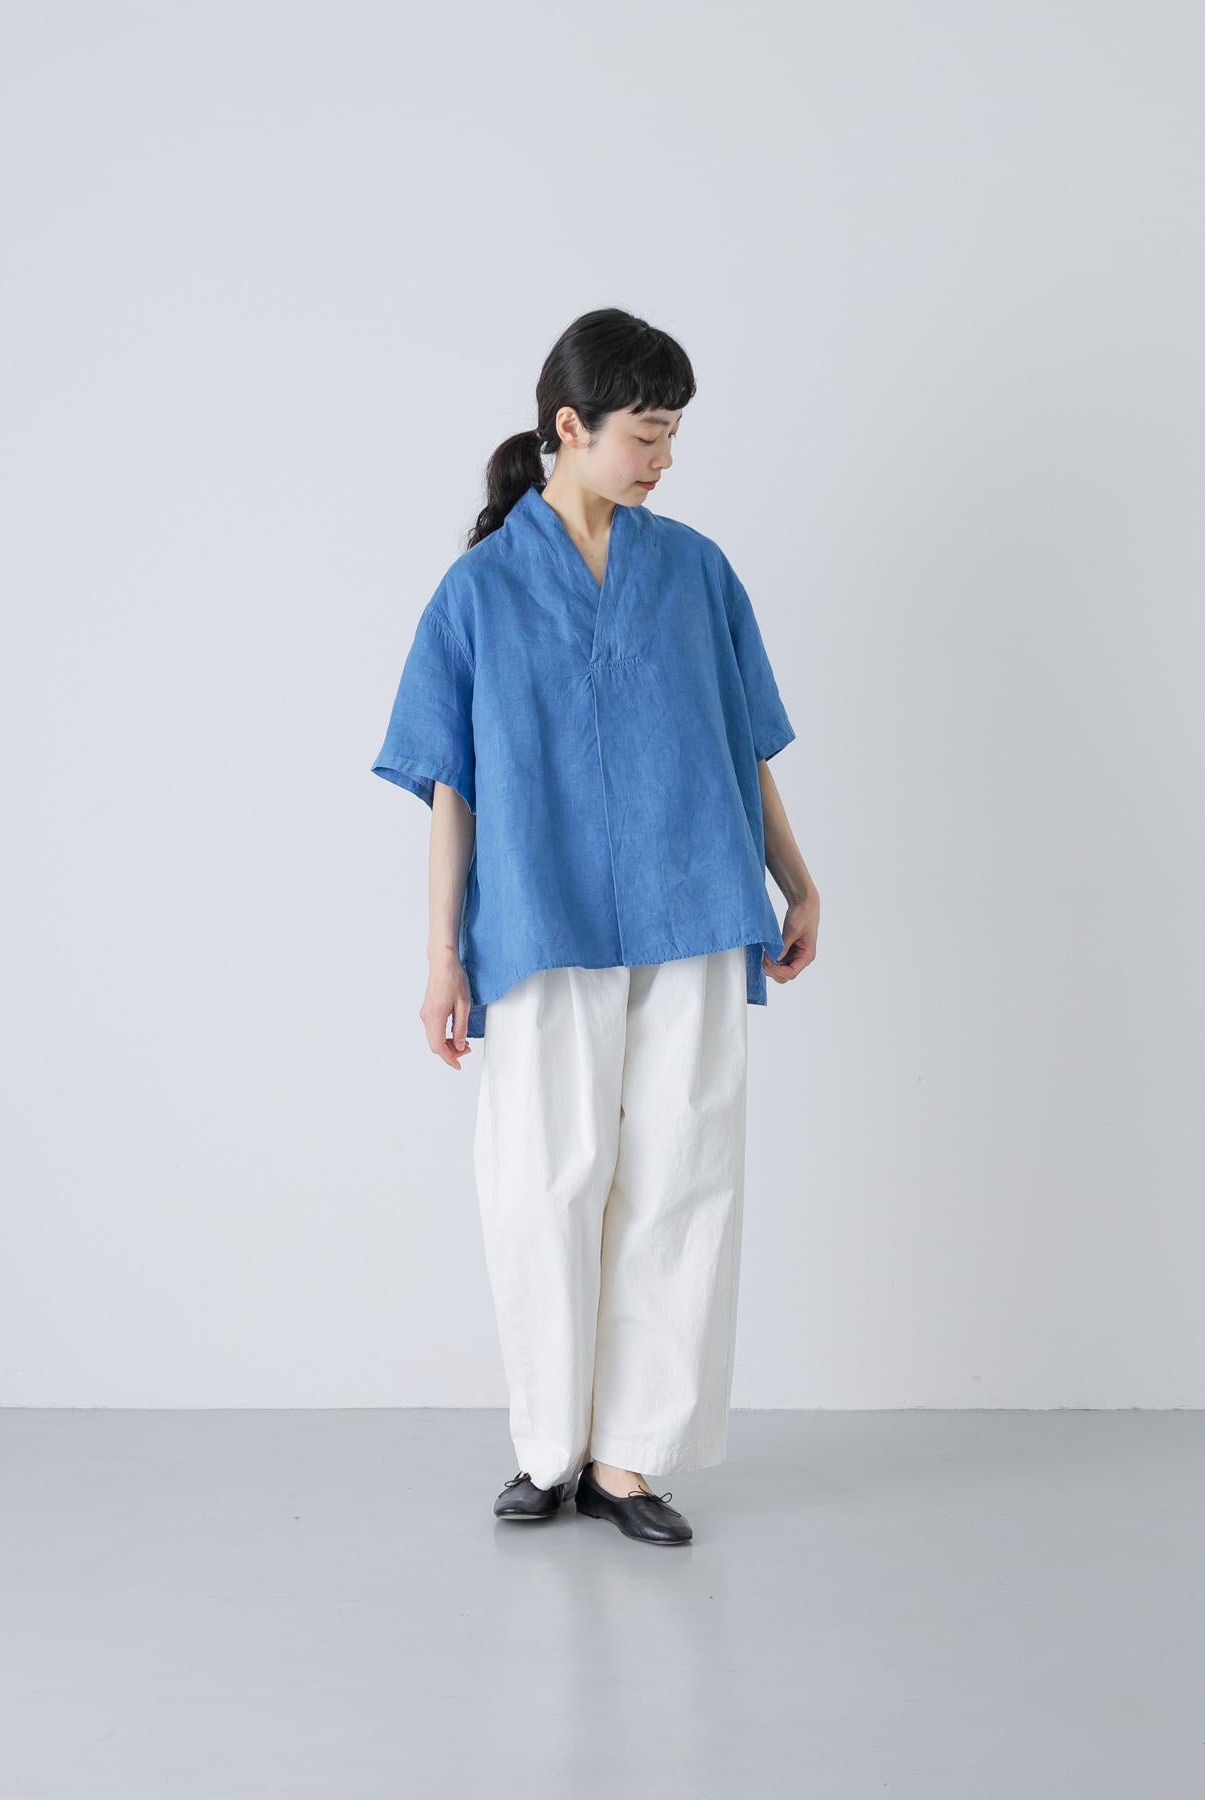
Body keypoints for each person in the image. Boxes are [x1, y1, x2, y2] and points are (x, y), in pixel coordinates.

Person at [371, 307, 819, 1546]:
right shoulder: (478, 591)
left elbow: (744, 743)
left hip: (696, 902)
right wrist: (441, 955)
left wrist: (797, 879)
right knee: (543, 1180)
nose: (663, 460)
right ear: (569, 427)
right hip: (540, 915)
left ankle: (633, 1459)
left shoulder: (697, 573)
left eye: (673, 437)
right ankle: (548, 1449)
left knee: (683, 1172)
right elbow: (450, 784)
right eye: (645, 435)